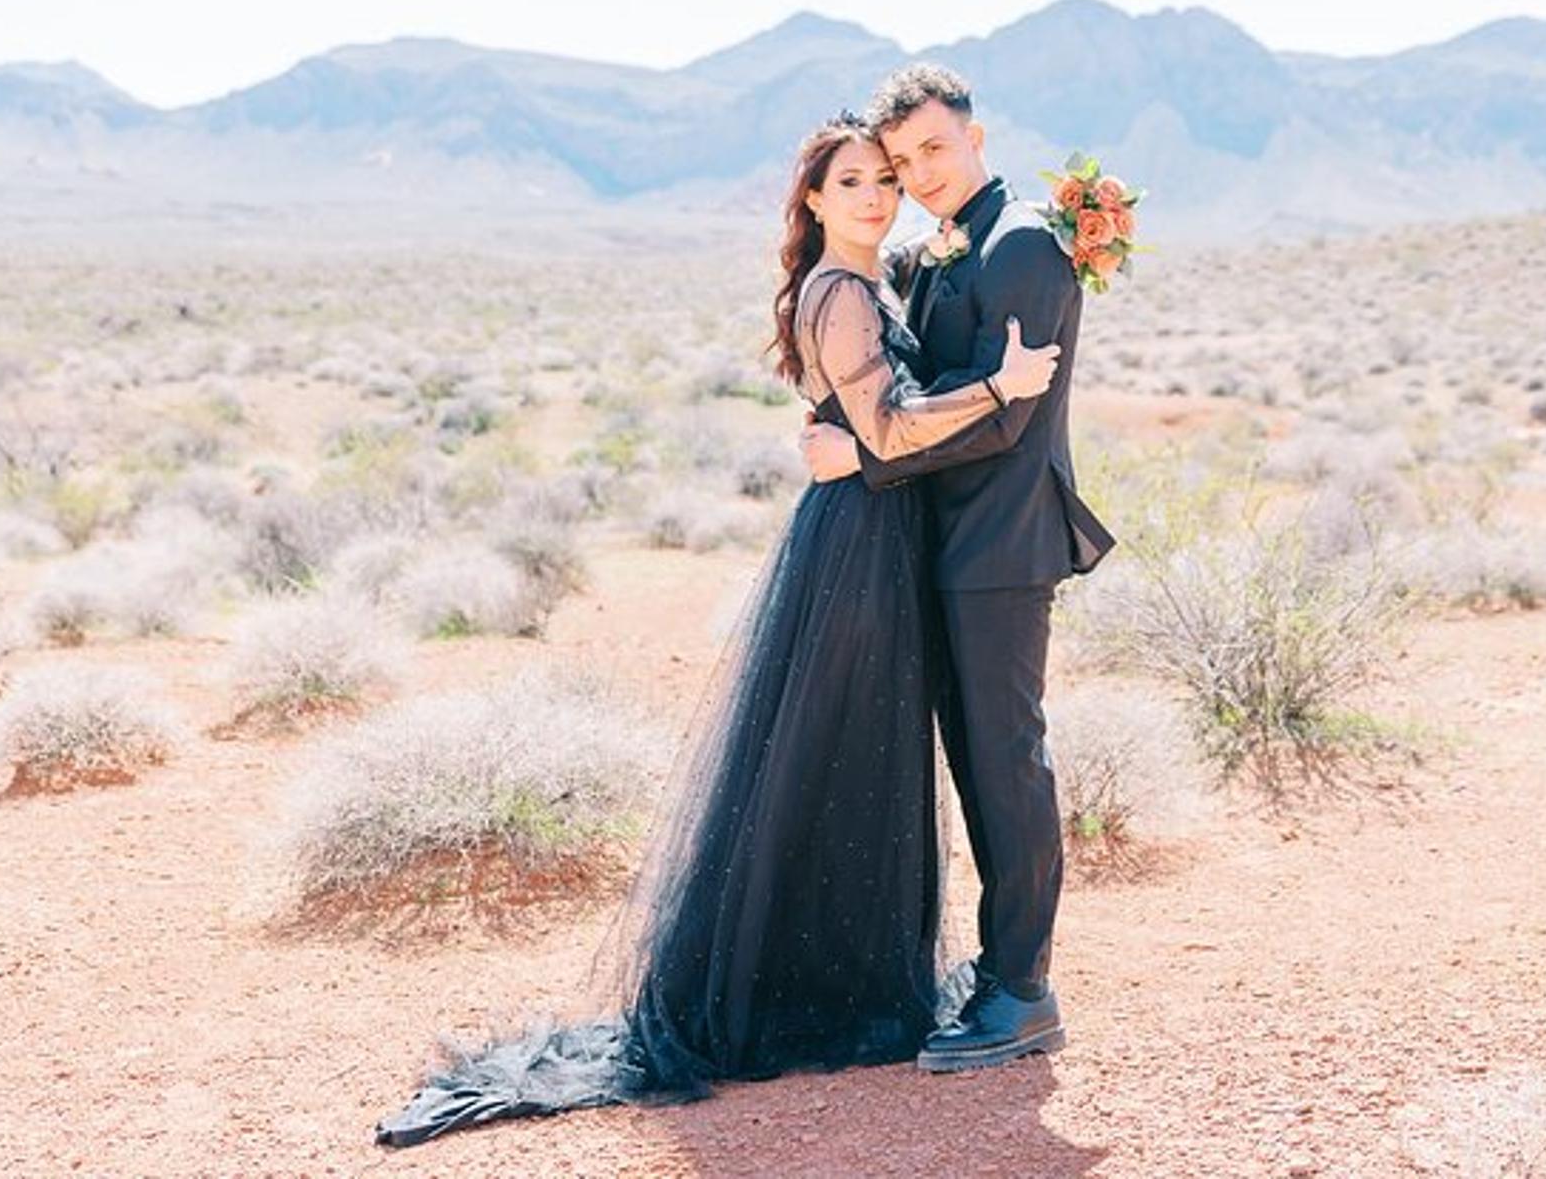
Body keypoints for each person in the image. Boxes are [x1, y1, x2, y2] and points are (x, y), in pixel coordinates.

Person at [372, 113, 1061, 1147]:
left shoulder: (880, 281)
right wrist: (998, 390)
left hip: (880, 534)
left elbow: (866, 429)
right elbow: (880, 430)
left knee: (853, 762)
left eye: (886, 178)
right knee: (823, 756)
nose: (876, 195)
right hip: (857, 550)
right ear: (815, 203)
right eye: (853, 182)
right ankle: (791, 986)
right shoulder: (839, 292)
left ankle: (849, 967)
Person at [800, 63, 1115, 1073]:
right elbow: (912, 387)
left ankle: (1022, 989)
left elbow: (1005, 413)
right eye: (898, 162)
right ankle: (994, 972)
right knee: (975, 768)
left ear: (975, 136)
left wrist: (866, 450)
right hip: (938, 546)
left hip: (998, 550)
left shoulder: (1020, 241)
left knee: (1006, 764)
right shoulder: (938, 252)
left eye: (932, 149)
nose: (917, 173)